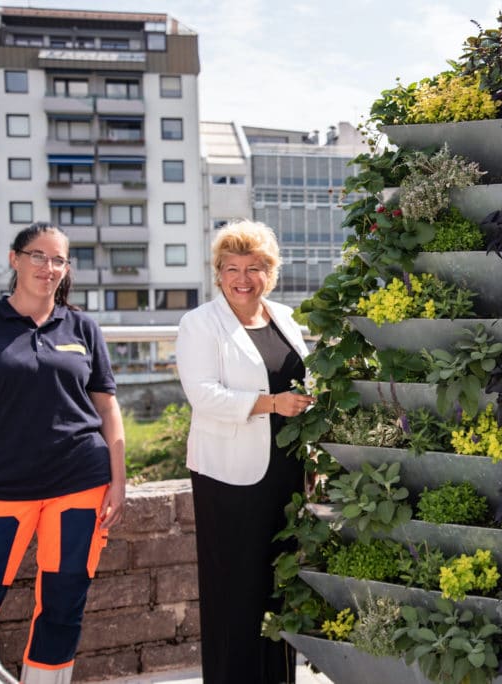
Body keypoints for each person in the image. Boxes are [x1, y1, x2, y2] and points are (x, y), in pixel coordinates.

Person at [0, 222, 125, 683]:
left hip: (80, 485)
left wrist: (119, 481)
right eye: (38, 255)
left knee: (63, 603)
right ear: (14, 259)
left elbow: (107, 408)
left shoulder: (82, 327)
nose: (48, 267)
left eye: (58, 259)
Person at [176, 220, 314, 684]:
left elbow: (305, 382)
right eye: (231, 268)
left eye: (254, 267)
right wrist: (271, 404)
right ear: (218, 274)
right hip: (229, 477)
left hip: (286, 471)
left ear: (270, 273)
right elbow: (204, 395)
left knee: (280, 586)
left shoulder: (285, 317)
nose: (242, 278)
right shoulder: (199, 323)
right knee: (236, 591)